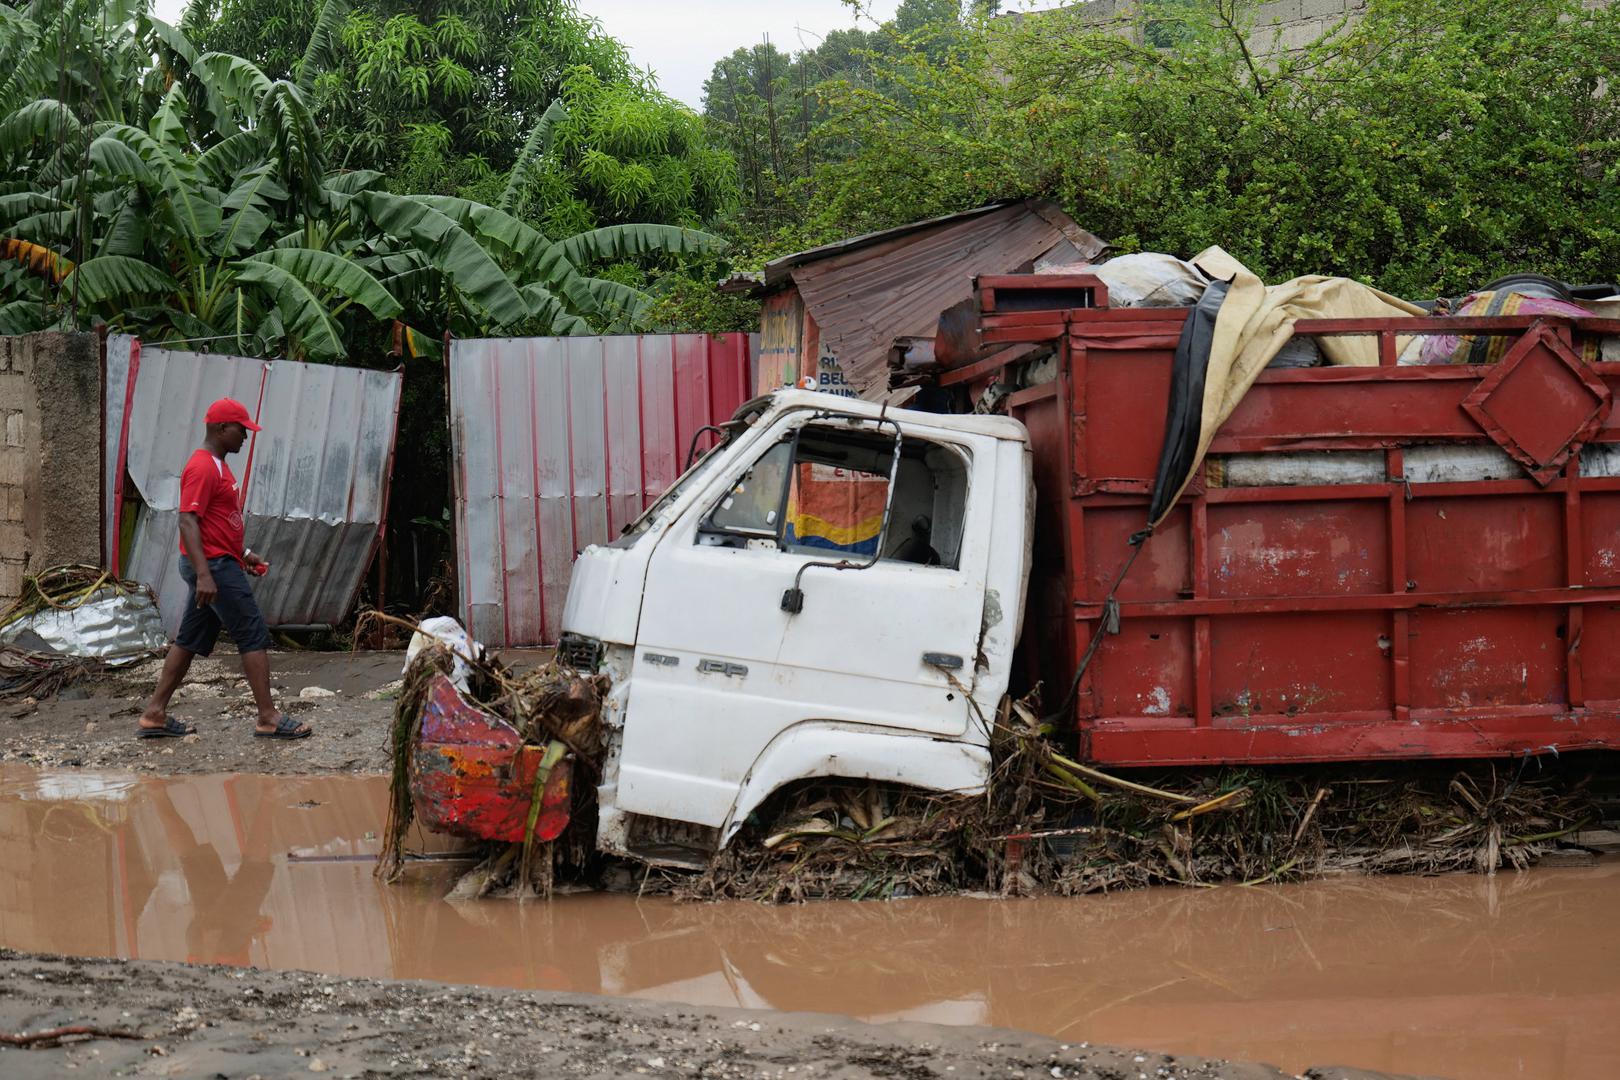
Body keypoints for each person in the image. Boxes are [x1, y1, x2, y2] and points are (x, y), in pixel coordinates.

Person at [137, 398, 312, 741]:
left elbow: (215, 522)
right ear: (221, 428)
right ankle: (268, 717)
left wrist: (243, 553)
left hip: (218, 562)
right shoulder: (202, 467)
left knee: (189, 639)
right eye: (241, 430)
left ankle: (154, 713)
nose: (245, 437)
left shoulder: (218, 465)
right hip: (213, 567)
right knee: (251, 632)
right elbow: (187, 521)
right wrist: (205, 574)